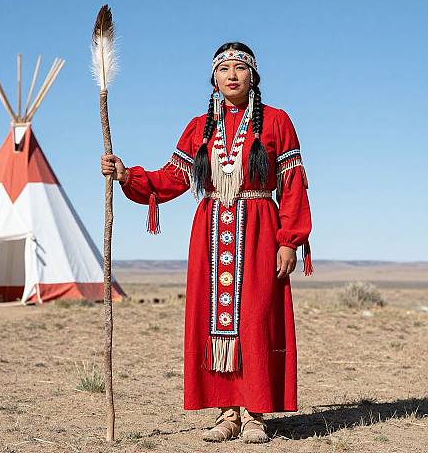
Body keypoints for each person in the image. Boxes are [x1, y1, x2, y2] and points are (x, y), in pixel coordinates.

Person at [100, 42, 313, 444]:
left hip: (259, 230)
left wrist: (289, 240)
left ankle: (254, 413)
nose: (232, 75)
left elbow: (293, 185)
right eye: (223, 69)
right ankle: (227, 413)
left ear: (253, 77)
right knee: (213, 323)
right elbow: (173, 177)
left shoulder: (277, 122)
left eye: (240, 68)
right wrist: (128, 176)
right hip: (212, 234)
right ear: (214, 79)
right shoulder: (200, 127)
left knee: (256, 319)